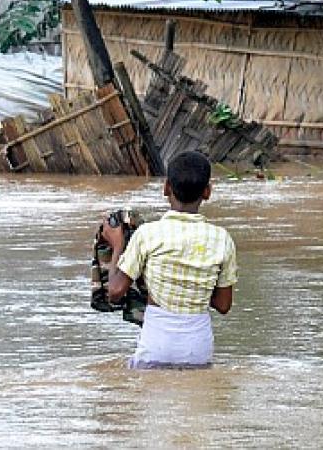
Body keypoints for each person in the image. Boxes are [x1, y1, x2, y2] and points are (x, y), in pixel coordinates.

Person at [101, 150, 237, 369]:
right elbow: (223, 304)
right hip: (198, 349)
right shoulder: (222, 239)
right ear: (207, 192)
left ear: (166, 188)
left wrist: (117, 246)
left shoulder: (147, 234)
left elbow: (115, 291)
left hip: (157, 344)